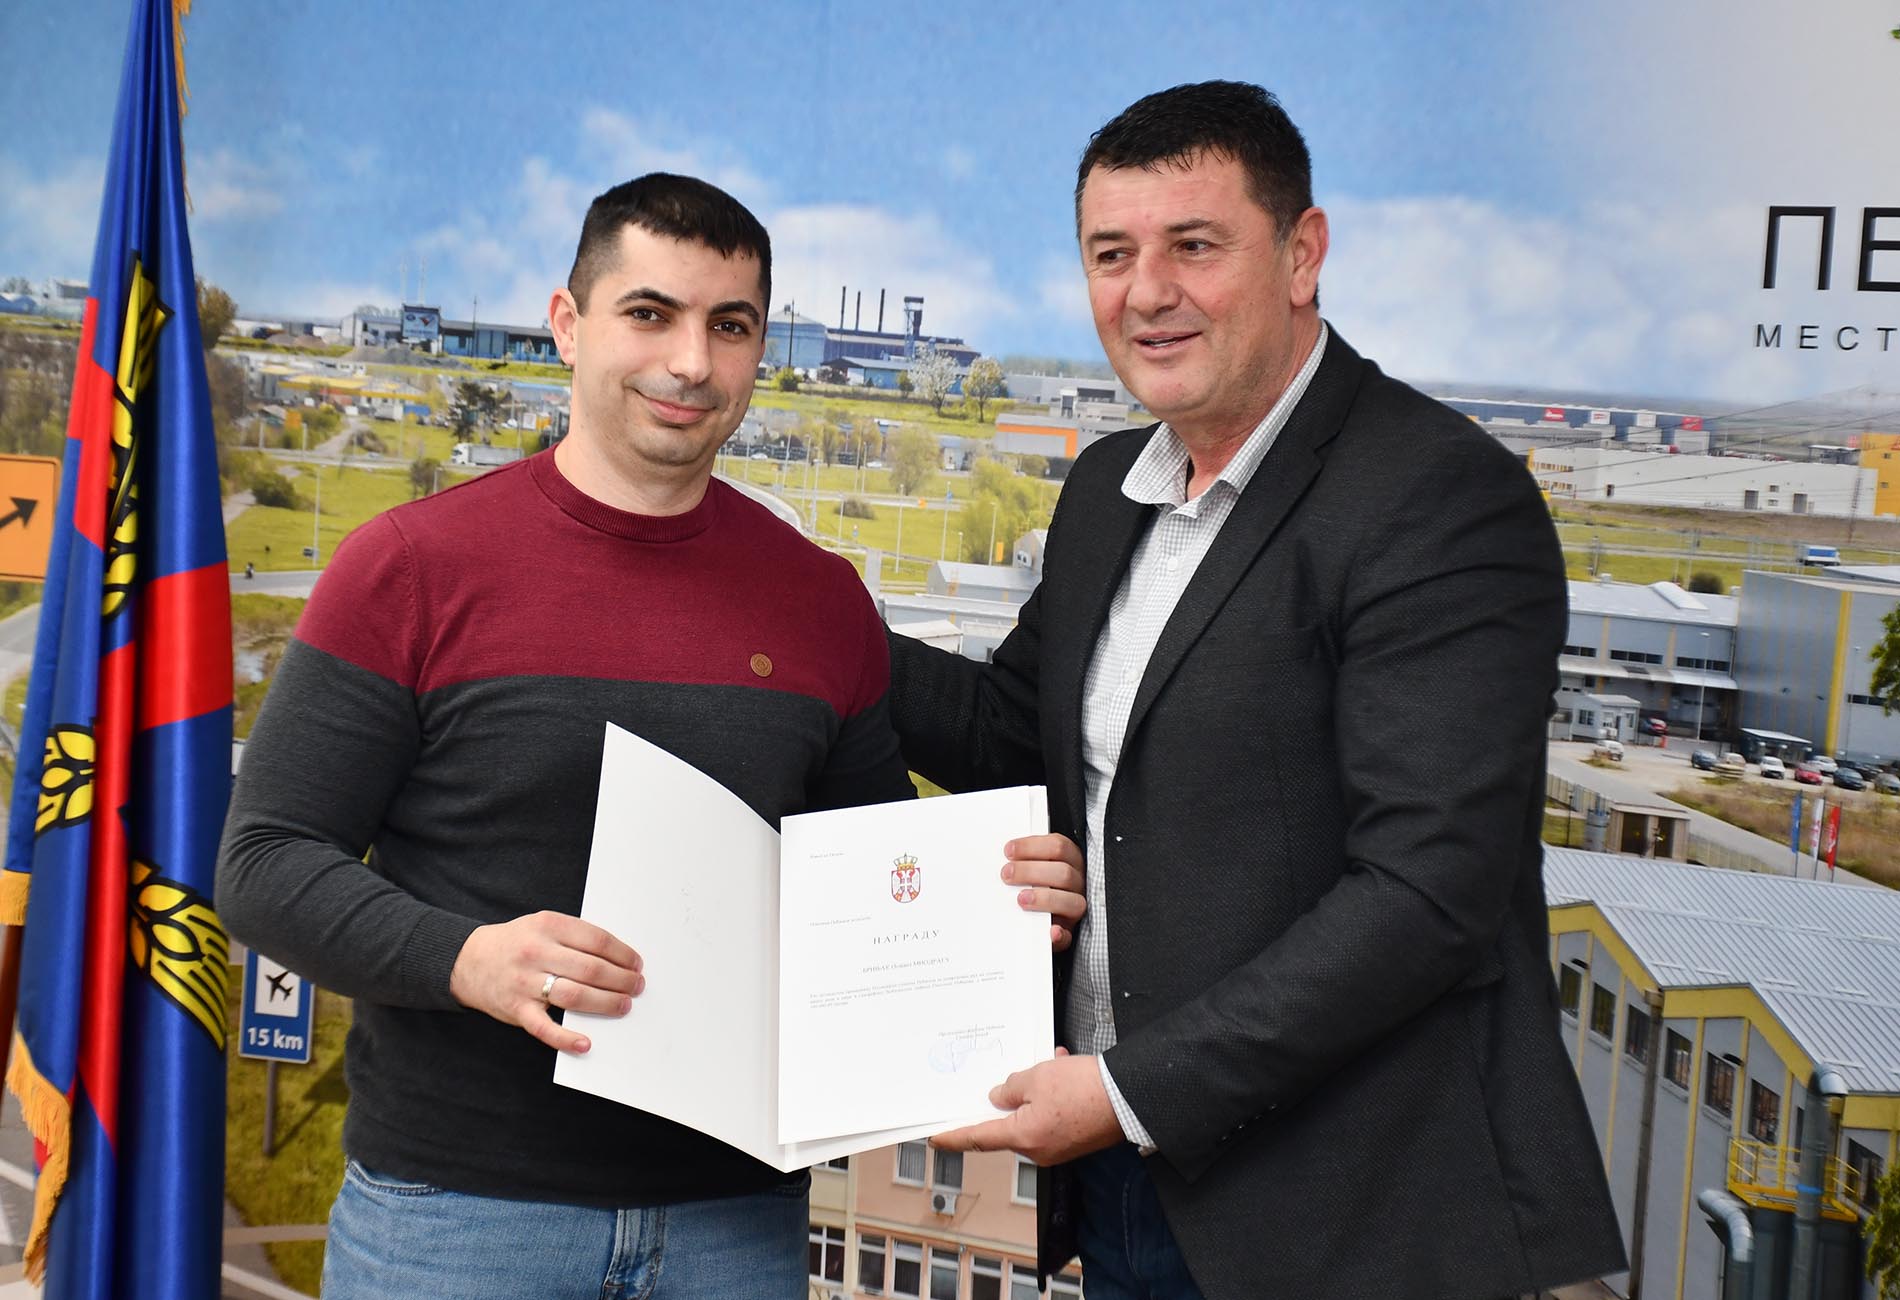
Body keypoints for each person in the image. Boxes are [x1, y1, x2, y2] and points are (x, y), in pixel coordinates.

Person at [217, 173, 1084, 1299]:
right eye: (650, 313)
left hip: (738, 1226)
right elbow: (265, 862)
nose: (690, 362)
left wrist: (997, 906)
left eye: (730, 326)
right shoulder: (408, 569)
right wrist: (466, 957)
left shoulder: (820, 599)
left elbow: (870, 890)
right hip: (458, 1221)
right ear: (568, 324)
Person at [890, 83, 1627, 1300]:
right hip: (1128, 1190)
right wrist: (799, 613)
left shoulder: (1435, 498)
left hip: (1352, 1218)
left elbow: (1425, 892)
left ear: (1301, 253)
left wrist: (1127, 1091)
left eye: (1193, 245)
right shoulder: (1107, 491)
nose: (1146, 293)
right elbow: (1018, 736)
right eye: (1111, 254)